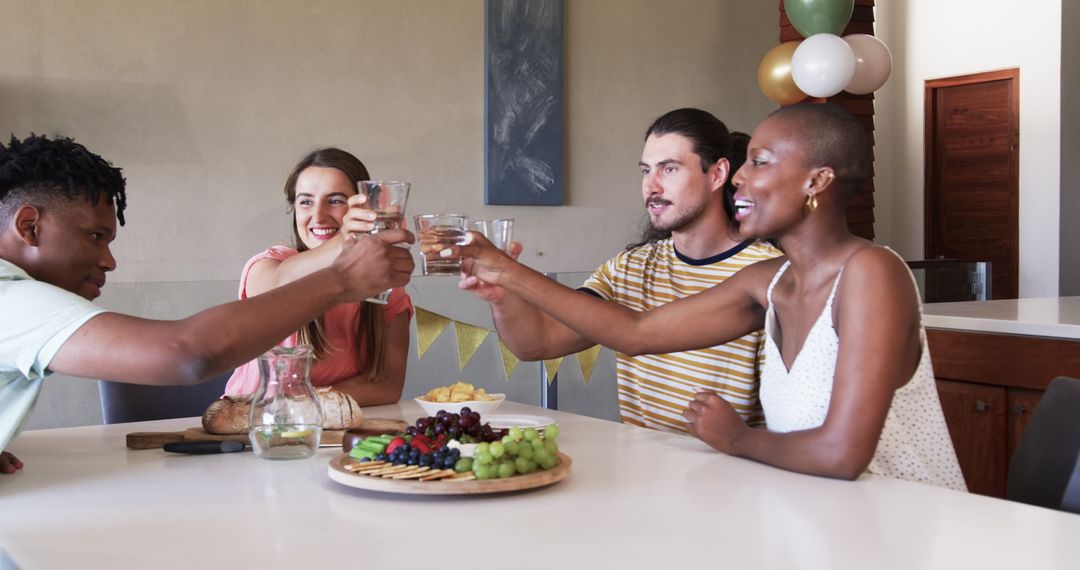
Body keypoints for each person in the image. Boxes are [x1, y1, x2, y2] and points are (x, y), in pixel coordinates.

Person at [453, 103, 966, 490]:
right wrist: (508, 278)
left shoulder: (872, 271)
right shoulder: (767, 280)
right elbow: (634, 332)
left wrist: (734, 437)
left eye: (759, 163)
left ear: (818, 180)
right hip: (817, 511)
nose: (740, 176)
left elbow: (842, 454)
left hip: (902, 521)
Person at [0, 135, 414, 473]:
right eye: (95, 237)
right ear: (29, 226)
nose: (109, 261)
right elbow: (187, 354)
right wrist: (343, 276)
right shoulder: (14, 300)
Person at [461, 108, 782, 433]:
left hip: (731, 477)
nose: (651, 186)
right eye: (646, 171)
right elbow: (537, 343)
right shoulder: (629, 268)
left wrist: (508, 272)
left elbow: (635, 334)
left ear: (717, 174)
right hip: (637, 470)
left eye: (669, 169)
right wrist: (502, 297)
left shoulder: (766, 274)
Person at [222, 149, 412, 405]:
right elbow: (278, 285)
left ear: (365, 208)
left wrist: (301, 406)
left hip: (331, 429)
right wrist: (345, 240)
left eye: (334, 201)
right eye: (306, 201)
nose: (319, 216)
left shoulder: (383, 285)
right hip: (246, 429)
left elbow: (386, 386)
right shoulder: (268, 265)